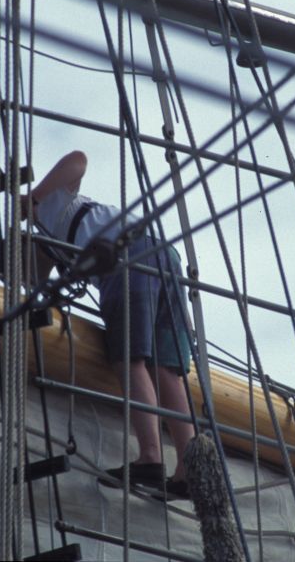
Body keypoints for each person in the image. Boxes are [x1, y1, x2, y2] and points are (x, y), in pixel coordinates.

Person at [21, 150, 195, 499]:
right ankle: (190, 469)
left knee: (129, 358)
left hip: (127, 257)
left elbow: (79, 159)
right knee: (165, 369)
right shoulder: (47, 240)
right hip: (161, 253)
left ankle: (150, 458)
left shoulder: (53, 198)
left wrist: (32, 197)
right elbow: (35, 278)